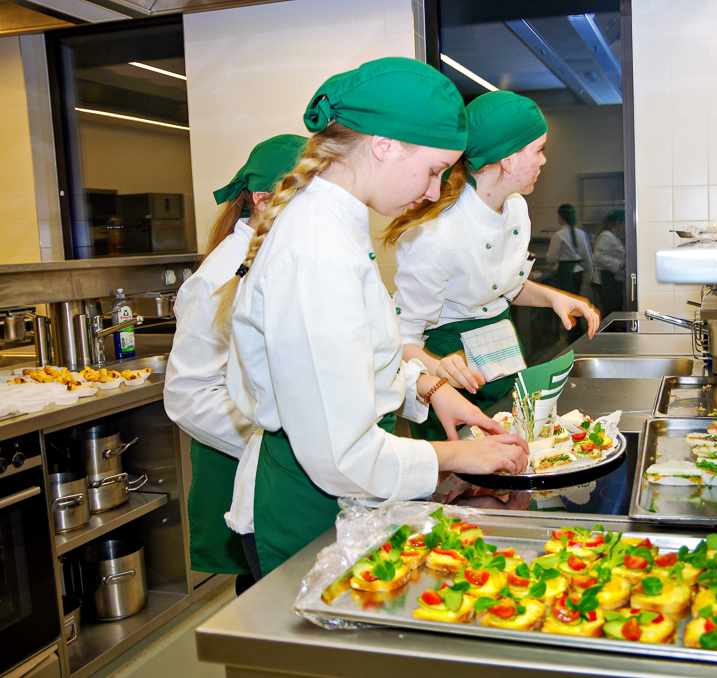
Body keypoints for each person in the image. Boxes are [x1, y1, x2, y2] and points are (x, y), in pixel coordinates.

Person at [215, 58, 529, 577]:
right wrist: (454, 458)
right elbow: (340, 456)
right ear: (384, 145)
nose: (434, 192)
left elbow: (353, 360)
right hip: (307, 509)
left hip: (342, 494)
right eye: (434, 170)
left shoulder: (336, 224)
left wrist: (427, 388)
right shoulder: (317, 251)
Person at [384, 90, 600, 441]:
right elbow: (402, 337)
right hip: (451, 368)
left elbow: (501, 286)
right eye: (539, 150)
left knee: (518, 448)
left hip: (501, 355)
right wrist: (438, 368)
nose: (544, 160)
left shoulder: (515, 207)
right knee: (465, 468)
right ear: (508, 160)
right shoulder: (436, 234)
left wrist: (553, 298)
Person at [164, 134, 306, 592]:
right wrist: (281, 444)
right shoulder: (220, 275)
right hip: (242, 454)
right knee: (262, 586)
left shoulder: (285, 255)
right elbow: (187, 395)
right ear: (263, 200)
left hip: (282, 453)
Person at [546, 203, 594, 298]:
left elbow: (551, 258)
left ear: (560, 217)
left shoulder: (559, 235)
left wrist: (552, 263)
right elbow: (587, 256)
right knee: (576, 297)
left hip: (565, 272)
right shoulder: (581, 233)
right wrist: (590, 275)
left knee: (565, 298)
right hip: (579, 272)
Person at [593, 209, 627, 317]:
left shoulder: (615, 237)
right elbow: (598, 256)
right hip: (607, 279)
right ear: (618, 223)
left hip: (614, 279)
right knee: (610, 312)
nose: (626, 227)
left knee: (615, 310)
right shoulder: (607, 236)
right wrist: (621, 264)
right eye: (624, 223)